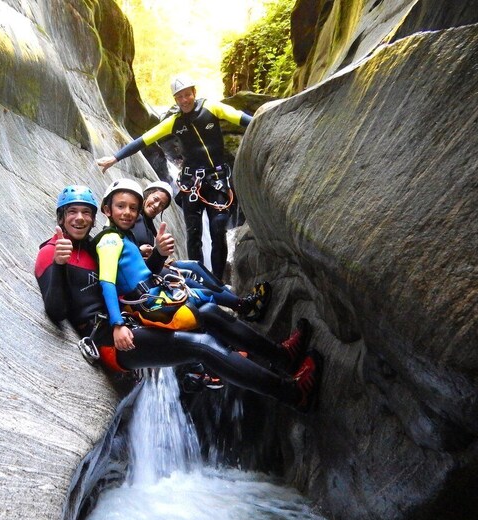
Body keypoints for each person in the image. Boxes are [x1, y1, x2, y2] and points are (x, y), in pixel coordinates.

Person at [35, 184, 322, 410]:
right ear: (61, 216)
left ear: (95, 216)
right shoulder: (52, 251)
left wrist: (158, 254)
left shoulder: (92, 246)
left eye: (86, 212)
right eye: (72, 212)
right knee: (202, 345)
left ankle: (282, 356)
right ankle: (292, 394)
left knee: (208, 311)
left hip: (128, 322)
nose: (80, 218)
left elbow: (129, 280)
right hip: (110, 339)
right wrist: (60, 266)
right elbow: (56, 310)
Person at [96, 75, 252, 280]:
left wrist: (268, 121)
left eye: (187, 94)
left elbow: (241, 118)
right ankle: (200, 279)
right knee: (194, 234)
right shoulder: (173, 122)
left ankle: (218, 280)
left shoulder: (212, 109)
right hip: (191, 183)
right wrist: (115, 158)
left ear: (194, 93)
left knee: (218, 228)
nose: (185, 100)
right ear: (175, 100)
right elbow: (143, 141)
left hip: (216, 178)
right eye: (180, 97)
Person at [132, 180, 271, 322]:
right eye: (155, 200)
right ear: (146, 195)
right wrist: (140, 250)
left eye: (162, 205)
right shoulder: (132, 217)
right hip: (144, 271)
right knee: (189, 277)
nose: (156, 206)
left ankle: (233, 298)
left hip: (153, 265)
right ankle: (243, 306)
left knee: (195, 265)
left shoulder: (148, 223)